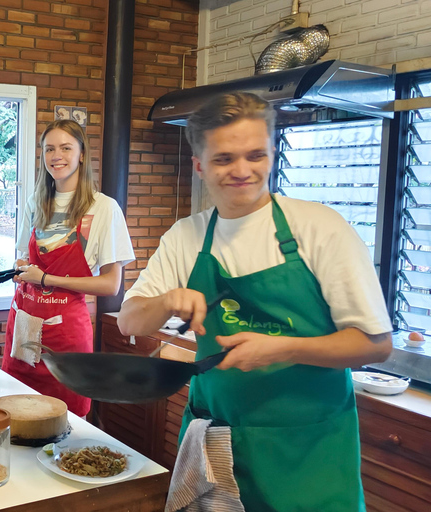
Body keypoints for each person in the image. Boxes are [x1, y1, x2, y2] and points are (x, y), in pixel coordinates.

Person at [118, 92, 393, 511]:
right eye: (224, 159)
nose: (242, 170)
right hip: (215, 439)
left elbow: (375, 344)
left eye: (255, 155)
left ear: (272, 152)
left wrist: (282, 347)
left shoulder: (319, 228)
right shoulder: (186, 236)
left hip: (308, 450)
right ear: (200, 166)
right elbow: (130, 321)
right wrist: (169, 300)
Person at [3, 119, 135, 417]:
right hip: (24, 330)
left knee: (66, 425)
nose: (56, 156)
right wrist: (21, 268)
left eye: (65, 147)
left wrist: (46, 278)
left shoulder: (102, 208)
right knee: (17, 419)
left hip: (66, 339)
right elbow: (24, 257)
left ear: (82, 154)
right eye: (49, 149)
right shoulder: (35, 202)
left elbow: (110, 285)